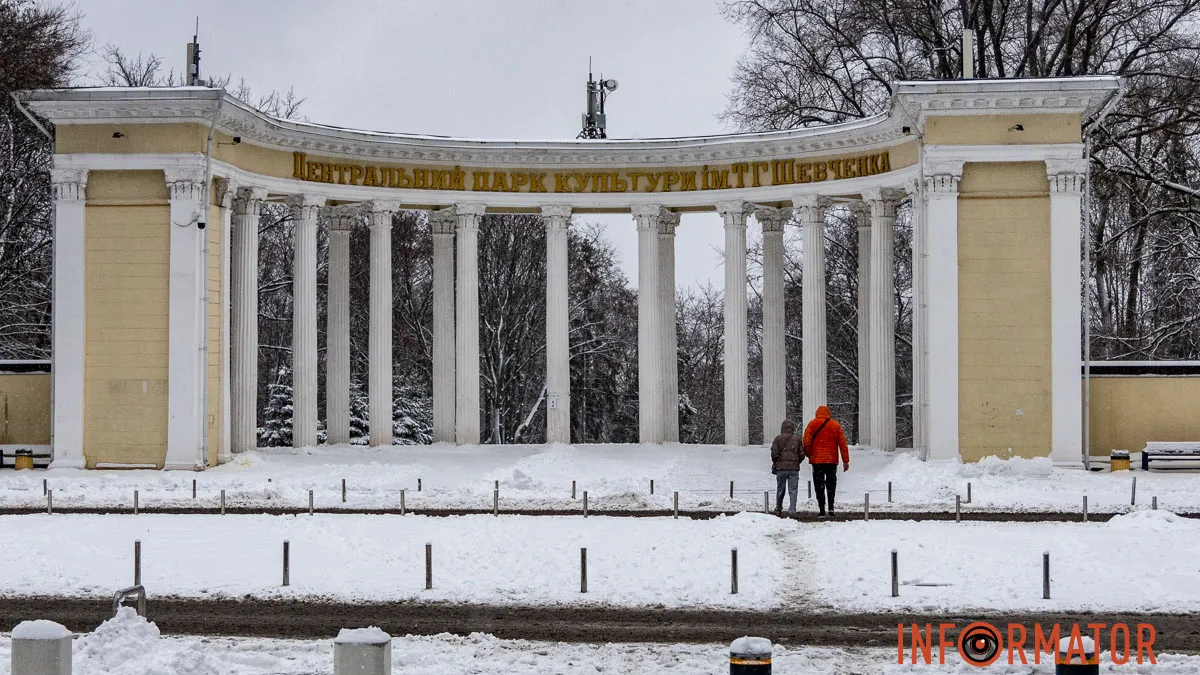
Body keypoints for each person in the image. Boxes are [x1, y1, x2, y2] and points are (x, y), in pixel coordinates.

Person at [803, 405, 849, 517]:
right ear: (828, 414)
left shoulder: (812, 424)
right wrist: (845, 460)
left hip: (817, 461)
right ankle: (831, 507)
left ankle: (822, 509)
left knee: (819, 485)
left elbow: (806, 442)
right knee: (831, 484)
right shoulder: (835, 425)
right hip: (831, 461)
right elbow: (843, 444)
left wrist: (809, 454)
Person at [769, 419, 804, 516]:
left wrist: (776, 462)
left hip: (781, 468)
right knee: (793, 490)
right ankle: (792, 510)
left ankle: (778, 508)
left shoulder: (778, 438)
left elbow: (774, 453)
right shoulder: (797, 439)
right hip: (793, 469)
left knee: (780, 488)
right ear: (792, 428)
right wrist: (796, 462)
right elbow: (802, 454)